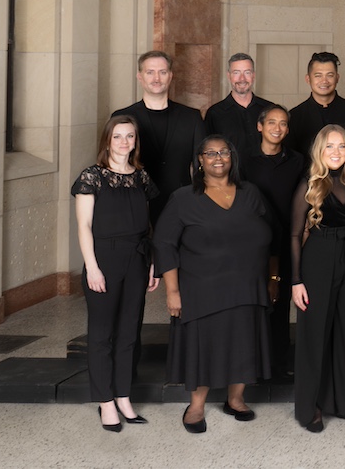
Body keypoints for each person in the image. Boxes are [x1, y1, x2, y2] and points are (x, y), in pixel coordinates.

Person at [154, 135, 278, 434]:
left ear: (232, 157)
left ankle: (236, 399)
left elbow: (273, 236)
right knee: (204, 346)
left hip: (247, 286)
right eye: (210, 153)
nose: (218, 158)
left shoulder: (251, 192)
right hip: (202, 289)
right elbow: (164, 244)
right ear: (200, 160)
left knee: (243, 343)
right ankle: (196, 406)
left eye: (224, 152)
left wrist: (273, 279)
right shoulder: (183, 198)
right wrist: (172, 291)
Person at [72, 115, 159, 432]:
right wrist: (92, 266)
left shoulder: (140, 177)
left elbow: (147, 225)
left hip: (136, 257)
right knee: (102, 335)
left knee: (128, 334)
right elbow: (83, 226)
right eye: (118, 136)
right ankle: (105, 401)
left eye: (130, 136)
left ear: (136, 140)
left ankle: (123, 396)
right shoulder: (92, 177)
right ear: (107, 140)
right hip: (103, 259)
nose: (124, 142)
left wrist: (151, 263)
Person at [290, 125, 345, 432]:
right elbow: (296, 234)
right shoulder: (309, 185)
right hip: (319, 262)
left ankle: (343, 403)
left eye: (341, 146)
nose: (336, 152)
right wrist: (296, 280)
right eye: (330, 146)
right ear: (320, 151)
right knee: (315, 336)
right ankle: (311, 407)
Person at [241, 104, 306, 377]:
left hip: (288, 238)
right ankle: (253, 361)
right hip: (254, 241)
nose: (277, 128)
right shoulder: (244, 160)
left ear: (288, 129)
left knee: (281, 302)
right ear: (260, 126)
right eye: (271, 123)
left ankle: (279, 361)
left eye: (282, 124)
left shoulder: (298, 161)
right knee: (255, 301)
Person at [112, 50, 205, 223]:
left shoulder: (192, 117)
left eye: (162, 72)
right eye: (150, 72)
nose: (157, 78)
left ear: (170, 76)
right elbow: (112, 167)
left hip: (182, 205)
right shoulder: (122, 117)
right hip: (135, 204)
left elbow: (201, 165)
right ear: (140, 77)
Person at [287, 51, 345, 157]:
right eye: (318, 75)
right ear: (308, 79)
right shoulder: (294, 116)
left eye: (330, 75)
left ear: (337, 78)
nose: (324, 81)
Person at [204, 53, 274, 159]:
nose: (242, 78)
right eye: (236, 73)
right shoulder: (215, 113)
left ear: (253, 75)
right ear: (229, 76)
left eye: (247, 72)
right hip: (231, 175)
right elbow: (208, 153)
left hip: (267, 174)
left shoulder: (270, 109)